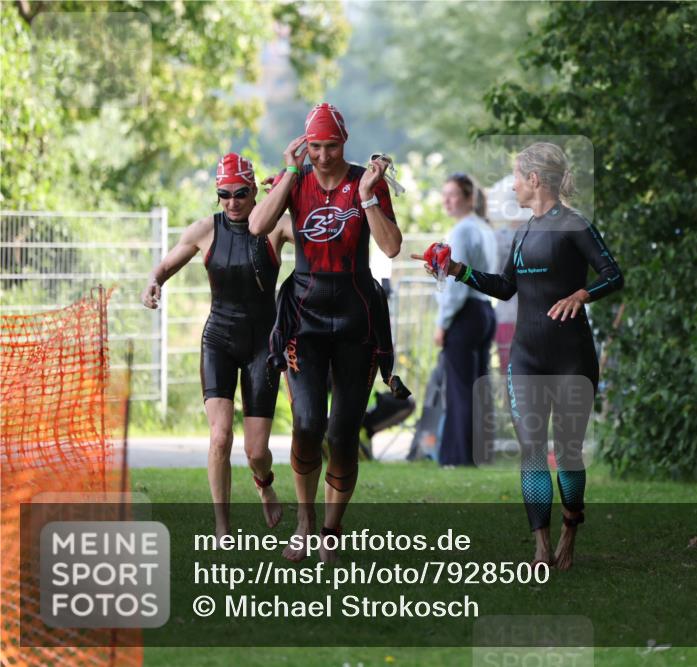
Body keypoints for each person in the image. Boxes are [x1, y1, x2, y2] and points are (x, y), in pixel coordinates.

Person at [412, 142, 624, 570]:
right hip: (526, 356)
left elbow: (613, 274)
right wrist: (457, 271)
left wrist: (582, 294)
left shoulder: (574, 225)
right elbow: (506, 286)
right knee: (531, 450)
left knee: (566, 451)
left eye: (516, 176)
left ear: (534, 179)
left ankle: (571, 527)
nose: (512, 185)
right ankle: (540, 545)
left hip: (571, 357)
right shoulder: (525, 230)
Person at [248, 103, 402, 563]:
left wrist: (370, 196)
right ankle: (305, 521)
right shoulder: (295, 180)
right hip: (305, 317)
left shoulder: (363, 182)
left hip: (356, 316)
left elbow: (391, 248)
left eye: (330, 146)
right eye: (314, 146)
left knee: (342, 431)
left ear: (345, 142)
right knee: (308, 423)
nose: (322, 155)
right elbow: (257, 226)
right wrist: (291, 174)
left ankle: (331, 533)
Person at [141, 153, 294, 537]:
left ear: (253, 190)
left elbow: (312, 232)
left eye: (240, 193)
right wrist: (153, 282)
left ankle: (265, 485)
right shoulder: (204, 231)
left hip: (263, 343)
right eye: (223, 194)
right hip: (220, 341)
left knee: (256, 452)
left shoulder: (274, 227)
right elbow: (165, 265)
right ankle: (223, 527)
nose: (232, 202)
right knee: (220, 436)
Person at [434, 173, 497, 466]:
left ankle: (460, 456)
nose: (447, 200)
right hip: (485, 311)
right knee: (478, 386)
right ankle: (481, 452)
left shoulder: (461, 231)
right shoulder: (484, 228)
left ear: (469, 199)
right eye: (444, 194)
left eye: (453, 194)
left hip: (466, 313)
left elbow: (457, 285)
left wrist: (442, 323)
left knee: (460, 388)